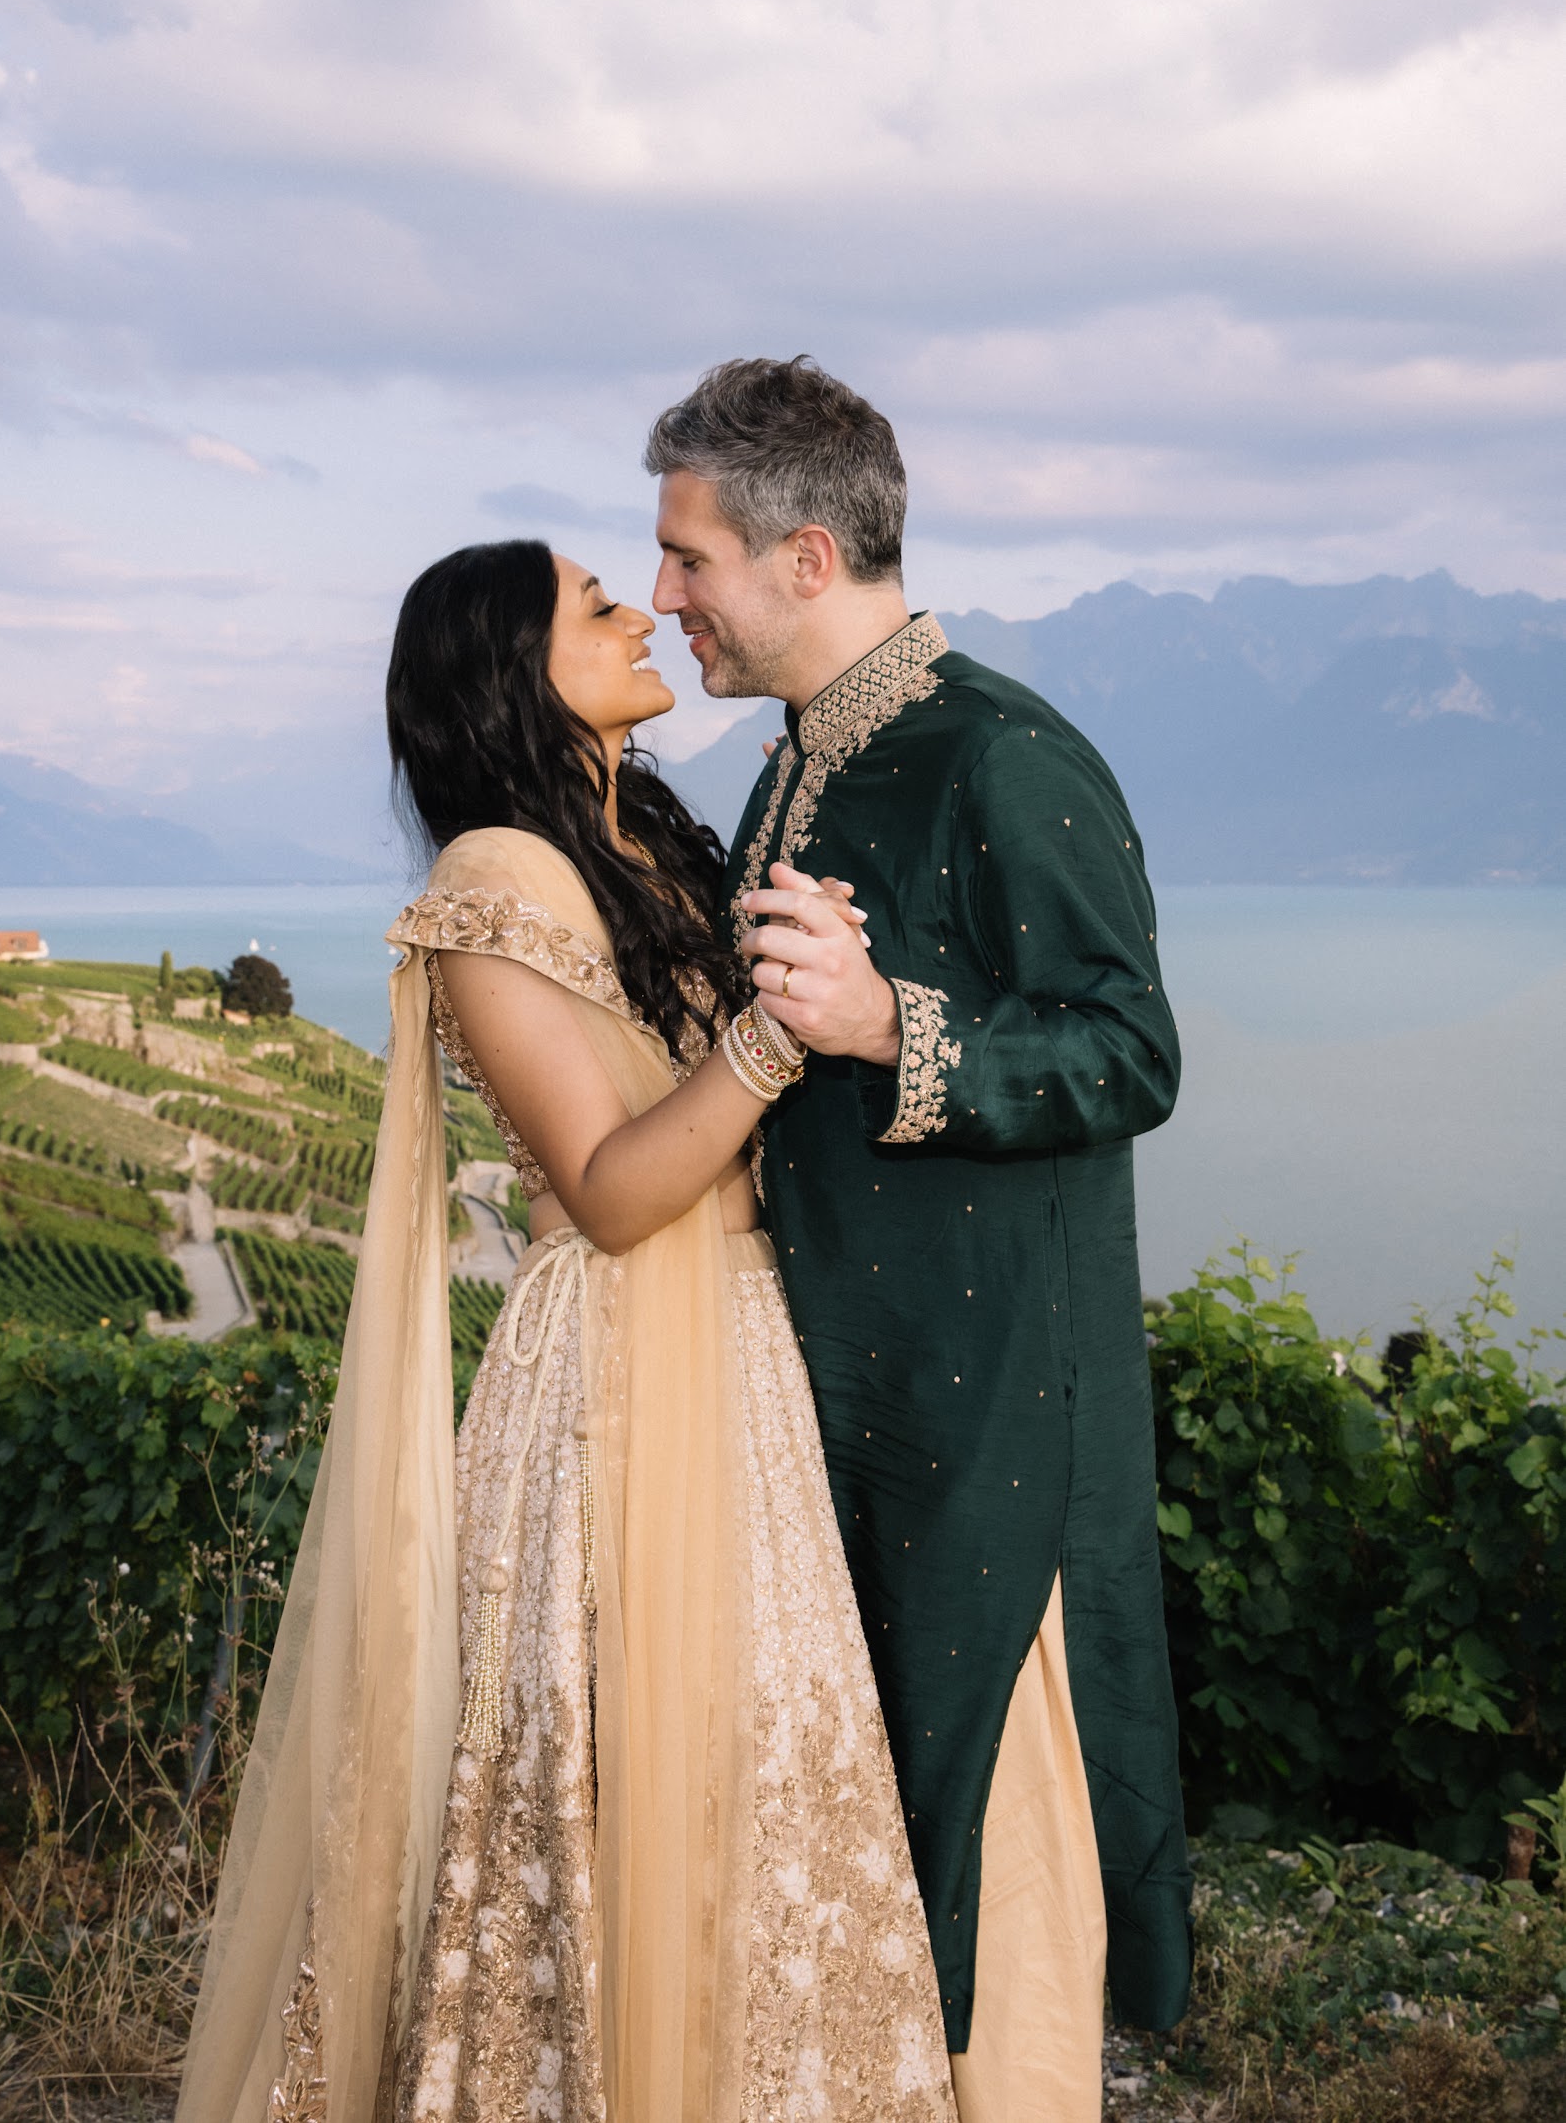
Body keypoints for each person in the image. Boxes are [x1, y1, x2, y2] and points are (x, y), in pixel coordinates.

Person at [175, 537, 957, 2123]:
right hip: (620, 1371)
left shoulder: (636, 842)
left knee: (757, 1757)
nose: (642, 611)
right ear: (511, 674)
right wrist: (776, 1031)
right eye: (596, 605)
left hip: (735, 1349)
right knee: (622, 1764)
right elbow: (608, 1190)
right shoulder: (493, 882)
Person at [648, 356, 1193, 2123]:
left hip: (990, 1433)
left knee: (990, 1872)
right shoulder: (798, 765)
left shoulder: (1004, 758)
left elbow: (1132, 1052)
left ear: (806, 559)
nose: (666, 594)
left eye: (690, 557)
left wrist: (893, 1022)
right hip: (836, 1412)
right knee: (859, 1872)